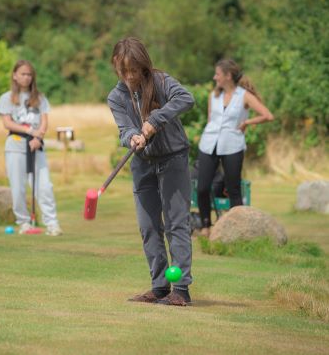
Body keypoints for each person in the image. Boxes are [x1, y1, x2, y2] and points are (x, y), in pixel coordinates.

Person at [107, 37, 195, 306]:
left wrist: (154, 120)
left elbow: (186, 98)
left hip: (173, 159)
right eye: (125, 70)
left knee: (176, 223)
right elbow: (124, 130)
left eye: (135, 69)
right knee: (148, 227)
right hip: (142, 163)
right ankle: (159, 287)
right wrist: (133, 136)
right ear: (116, 67)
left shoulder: (161, 81)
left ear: (144, 65)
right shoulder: (116, 96)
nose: (131, 76)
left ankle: (180, 289)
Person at [197, 59, 274, 237]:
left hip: (233, 146)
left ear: (228, 76)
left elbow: (267, 115)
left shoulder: (244, 96)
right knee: (202, 187)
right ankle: (205, 226)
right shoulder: (213, 96)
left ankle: (238, 231)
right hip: (208, 144)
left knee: (233, 190)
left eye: (217, 74)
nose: (214, 77)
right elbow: (211, 121)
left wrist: (247, 122)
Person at [0, 60, 63, 236]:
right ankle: (24, 222)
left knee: (44, 186)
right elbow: (7, 122)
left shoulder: (40, 99)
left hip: (36, 145)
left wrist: (38, 137)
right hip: (15, 146)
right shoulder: (6, 98)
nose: (26, 77)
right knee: (17, 186)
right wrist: (29, 131)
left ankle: (52, 223)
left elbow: (44, 122)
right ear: (15, 75)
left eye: (29, 74)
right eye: (23, 74)